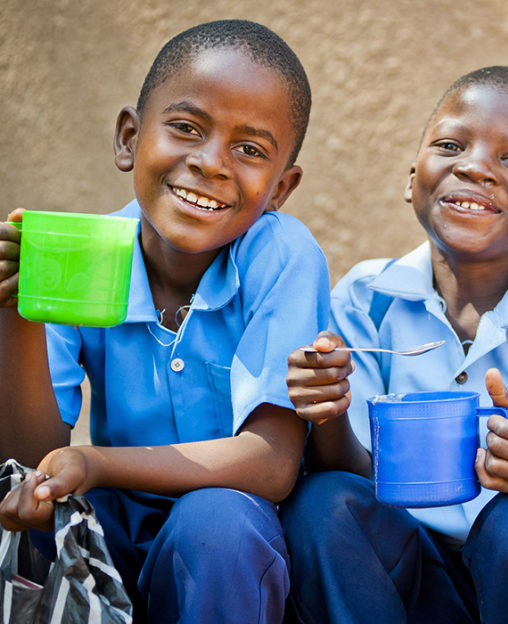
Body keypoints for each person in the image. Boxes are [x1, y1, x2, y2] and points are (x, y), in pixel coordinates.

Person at [281, 66, 508, 624]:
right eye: (451, 146)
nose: (474, 167)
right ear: (411, 179)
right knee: (321, 503)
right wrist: (329, 412)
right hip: (407, 570)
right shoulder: (368, 297)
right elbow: (350, 471)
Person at [0, 20, 330, 622]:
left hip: (240, 545)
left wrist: (96, 463)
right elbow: (29, 461)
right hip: (116, 526)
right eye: (186, 128)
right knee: (41, 522)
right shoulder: (83, 258)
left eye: (250, 149)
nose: (210, 163)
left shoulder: (282, 256)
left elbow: (272, 463)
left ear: (281, 188)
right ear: (129, 137)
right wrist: (17, 313)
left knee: (215, 521)